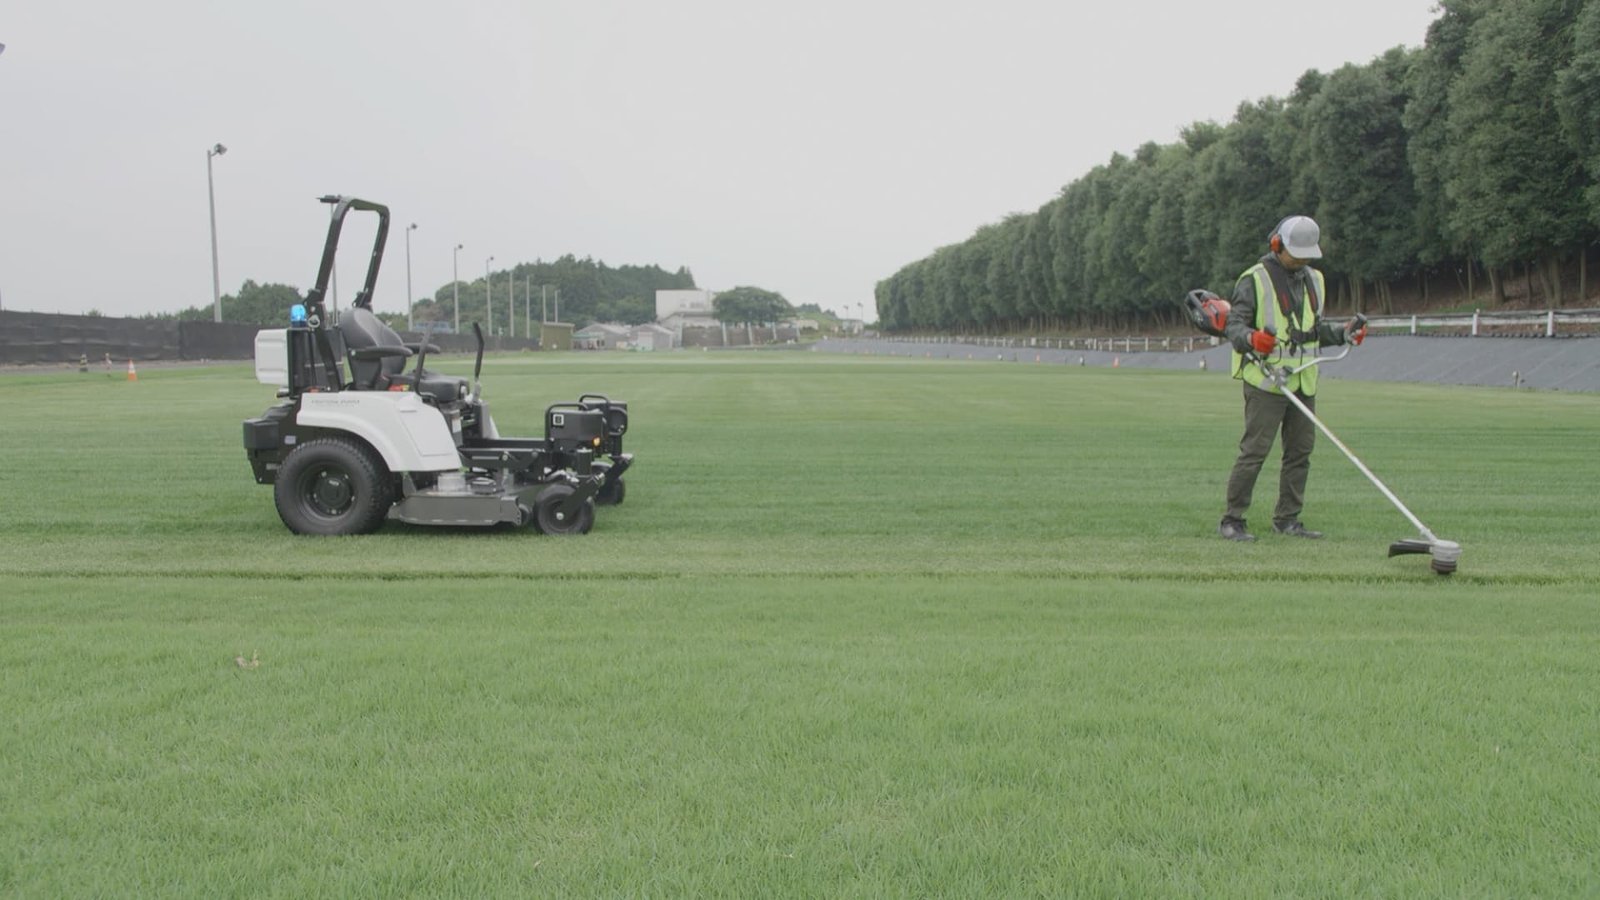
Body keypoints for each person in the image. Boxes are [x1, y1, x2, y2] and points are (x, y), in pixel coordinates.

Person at [1218, 215, 1365, 542]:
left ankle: (1287, 519)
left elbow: (1312, 330)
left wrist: (1343, 334)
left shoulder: (1316, 280)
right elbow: (1234, 326)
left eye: (1306, 256)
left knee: (1300, 453)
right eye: (1295, 255)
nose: (1301, 261)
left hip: (1303, 381)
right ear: (1276, 245)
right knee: (1254, 452)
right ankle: (1232, 519)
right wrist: (1252, 338)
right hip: (1266, 382)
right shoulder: (1254, 279)